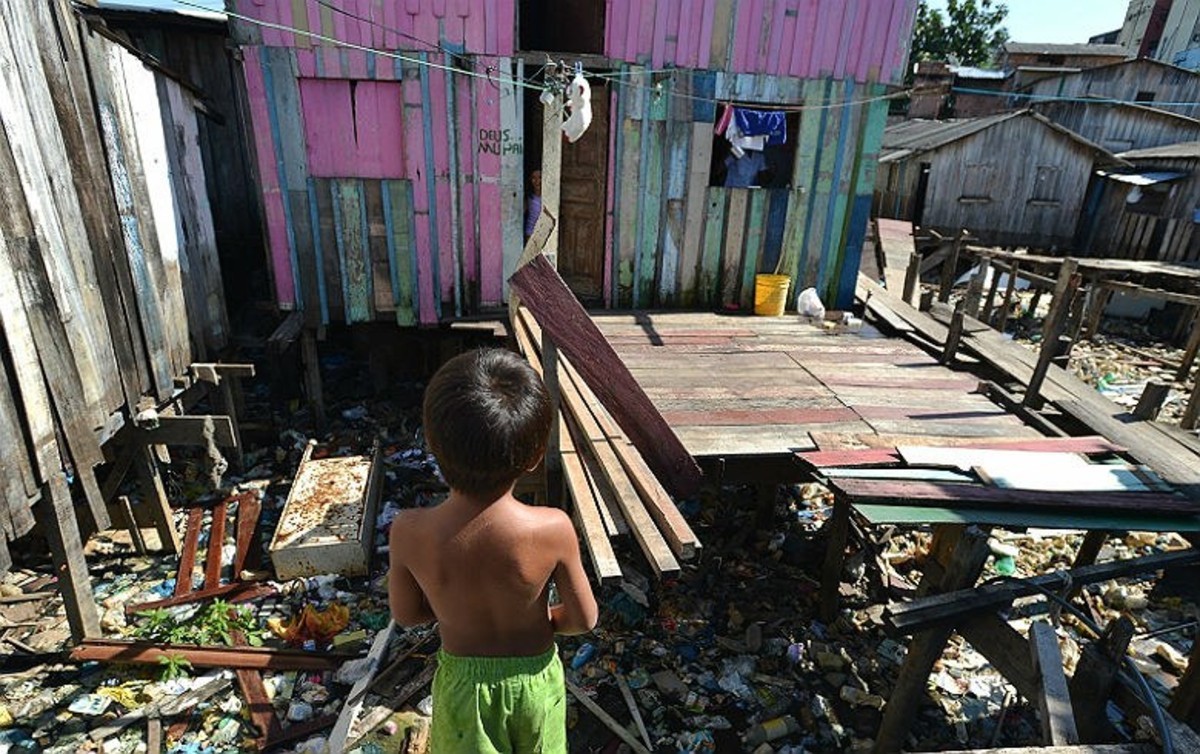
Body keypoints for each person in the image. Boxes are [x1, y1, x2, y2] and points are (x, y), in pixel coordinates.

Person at [389, 348, 598, 753]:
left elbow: (408, 614)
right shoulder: (553, 528)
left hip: (463, 691)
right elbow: (583, 618)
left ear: (432, 444)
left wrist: (455, 609)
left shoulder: (410, 531)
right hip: (536, 684)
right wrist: (535, 620)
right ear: (536, 456)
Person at [524, 169, 543, 240]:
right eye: (533, 178)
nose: (537, 181)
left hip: (546, 233)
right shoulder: (529, 197)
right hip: (531, 232)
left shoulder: (550, 197)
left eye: (540, 177)